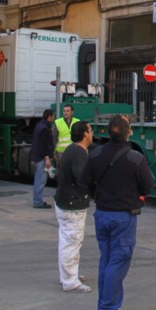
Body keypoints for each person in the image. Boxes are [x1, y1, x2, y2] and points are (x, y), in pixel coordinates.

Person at [82, 115, 154, 310]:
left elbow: (84, 182)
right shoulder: (135, 158)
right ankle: (109, 306)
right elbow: (148, 186)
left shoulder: (95, 154)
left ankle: (104, 304)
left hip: (102, 214)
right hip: (123, 217)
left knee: (106, 260)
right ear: (128, 132)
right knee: (118, 261)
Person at [54, 120, 94, 294]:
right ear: (85, 134)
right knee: (71, 242)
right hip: (72, 205)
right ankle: (70, 281)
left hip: (64, 202)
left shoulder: (71, 149)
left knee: (68, 241)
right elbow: (82, 179)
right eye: (90, 130)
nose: (92, 134)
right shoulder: (79, 153)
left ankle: (68, 275)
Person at [29, 109, 55, 208]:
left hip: (37, 156)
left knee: (38, 179)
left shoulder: (39, 126)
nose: (53, 118)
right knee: (41, 180)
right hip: (41, 158)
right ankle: (38, 202)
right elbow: (43, 145)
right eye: (53, 116)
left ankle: (37, 200)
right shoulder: (45, 129)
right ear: (49, 117)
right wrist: (47, 158)